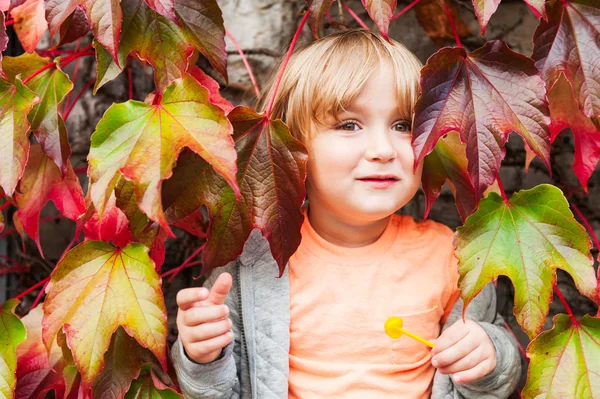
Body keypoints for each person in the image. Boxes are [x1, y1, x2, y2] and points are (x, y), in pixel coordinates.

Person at [171, 29, 521, 399]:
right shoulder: (256, 260)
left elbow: (490, 378)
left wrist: (489, 356)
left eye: (402, 125)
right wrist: (203, 356)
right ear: (293, 145)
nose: (383, 149)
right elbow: (218, 392)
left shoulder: (452, 255)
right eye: (349, 125)